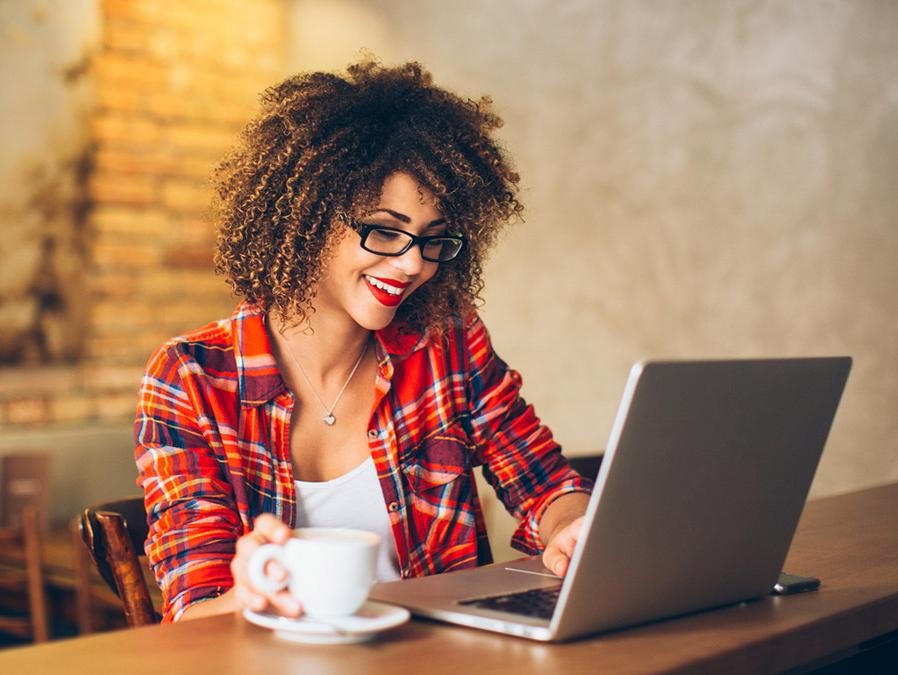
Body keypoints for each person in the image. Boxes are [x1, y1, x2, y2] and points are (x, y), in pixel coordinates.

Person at [135, 59, 593, 623]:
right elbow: (195, 613)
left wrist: (573, 527)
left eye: (432, 240)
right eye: (384, 229)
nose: (410, 264)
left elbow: (546, 484)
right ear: (306, 215)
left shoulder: (446, 343)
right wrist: (254, 594)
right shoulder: (191, 378)